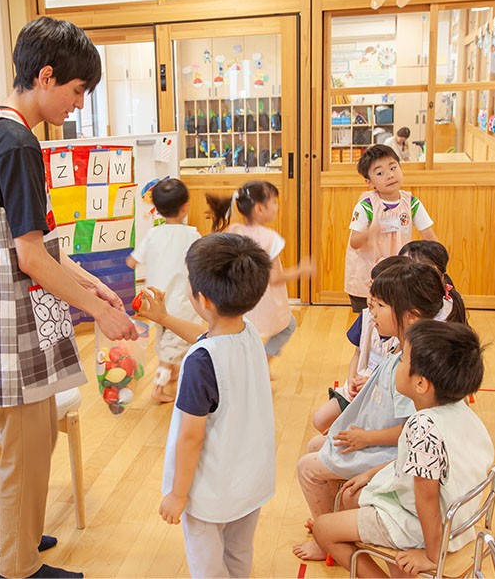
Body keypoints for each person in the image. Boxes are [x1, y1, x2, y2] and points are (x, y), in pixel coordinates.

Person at [0, 16, 137, 579]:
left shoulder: (3, 130)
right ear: (46, 74)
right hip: (12, 328)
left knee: (22, 443)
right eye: (78, 91)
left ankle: (3, 533)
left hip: (8, 322)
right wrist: (101, 312)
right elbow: (31, 258)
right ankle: (19, 566)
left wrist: (98, 286)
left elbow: (43, 245)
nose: (79, 106)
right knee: (27, 448)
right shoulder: (16, 145)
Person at [294, 261, 465, 561]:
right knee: (317, 445)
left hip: (391, 456)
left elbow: (410, 430)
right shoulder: (411, 345)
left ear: (410, 316)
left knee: (307, 468)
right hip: (391, 452)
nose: (372, 310)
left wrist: (366, 439)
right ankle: (335, 519)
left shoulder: (413, 369)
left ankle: (329, 538)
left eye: (380, 305)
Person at [139, 232, 276, 578]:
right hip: (250, 479)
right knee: (239, 554)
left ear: (202, 299)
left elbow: (190, 437)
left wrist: (177, 495)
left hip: (209, 490)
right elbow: (206, 336)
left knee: (207, 567)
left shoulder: (201, 363)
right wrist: (164, 319)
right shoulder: (248, 333)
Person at [312, 321, 493, 578]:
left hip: (421, 526)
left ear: (421, 384)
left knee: (323, 529)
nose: (396, 364)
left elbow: (427, 500)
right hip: (460, 518)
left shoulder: (422, 427)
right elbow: (424, 467)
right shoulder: (461, 411)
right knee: (351, 495)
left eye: (402, 360)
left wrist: (431, 556)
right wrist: (371, 472)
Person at [316, 241, 467, 432]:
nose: (372, 306)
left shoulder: (418, 344)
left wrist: (364, 435)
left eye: (380, 303)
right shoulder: (390, 328)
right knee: (320, 425)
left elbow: (406, 424)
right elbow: (360, 356)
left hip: (386, 413)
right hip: (368, 393)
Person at [206, 181, 312, 366]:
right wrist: (301, 270)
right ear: (260, 209)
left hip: (237, 301)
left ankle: (244, 367)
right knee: (288, 325)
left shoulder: (233, 230)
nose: (277, 206)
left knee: (241, 335)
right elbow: (275, 278)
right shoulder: (270, 238)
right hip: (261, 302)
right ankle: (262, 363)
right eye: (274, 202)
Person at [311, 257, 410, 434]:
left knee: (337, 434)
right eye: (371, 286)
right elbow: (357, 353)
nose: (371, 296)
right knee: (319, 420)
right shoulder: (366, 318)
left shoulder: (402, 336)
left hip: (378, 397)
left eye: (379, 298)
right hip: (357, 389)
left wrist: (370, 383)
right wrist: (351, 379)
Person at [126, 178, 202, 403]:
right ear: (186, 206)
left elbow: (132, 262)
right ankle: (158, 388)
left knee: (163, 340)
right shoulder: (192, 236)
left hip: (154, 303)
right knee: (173, 345)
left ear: (157, 209)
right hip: (179, 305)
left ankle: (172, 371)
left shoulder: (153, 234)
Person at [344, 145, 438, 313]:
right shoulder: (366, 206)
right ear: (369, 182)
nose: (390, 175)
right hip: (367, 277)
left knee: (397, 319)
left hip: (399, 275)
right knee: (367, 325)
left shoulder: (411, 203)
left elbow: (429, 235)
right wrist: (370, 232)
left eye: (393, 168)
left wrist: (437, 263)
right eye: (380, 173)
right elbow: (355, 242)